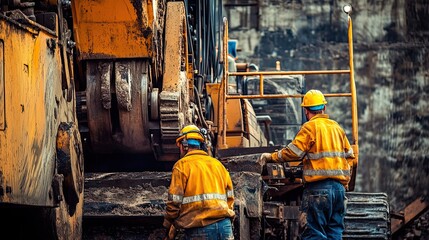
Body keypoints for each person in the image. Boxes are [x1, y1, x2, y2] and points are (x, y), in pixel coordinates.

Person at [259, 89, 355, 240]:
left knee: (314, 234)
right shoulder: (337, 128)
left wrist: (271, 157)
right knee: (335, 233)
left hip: (318, 190)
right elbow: (350, 156)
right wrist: (344, 183)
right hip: (338, 191)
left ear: (305, 111)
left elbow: (294, 152)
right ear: (324, 108)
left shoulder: (310, 127)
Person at [163, 124, 235, 240]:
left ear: (183, 146)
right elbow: (230, 198)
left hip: (199, 227)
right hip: (224, 225)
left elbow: (174, 203)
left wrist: (167, 225)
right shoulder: (218, 165)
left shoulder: (181, 166)